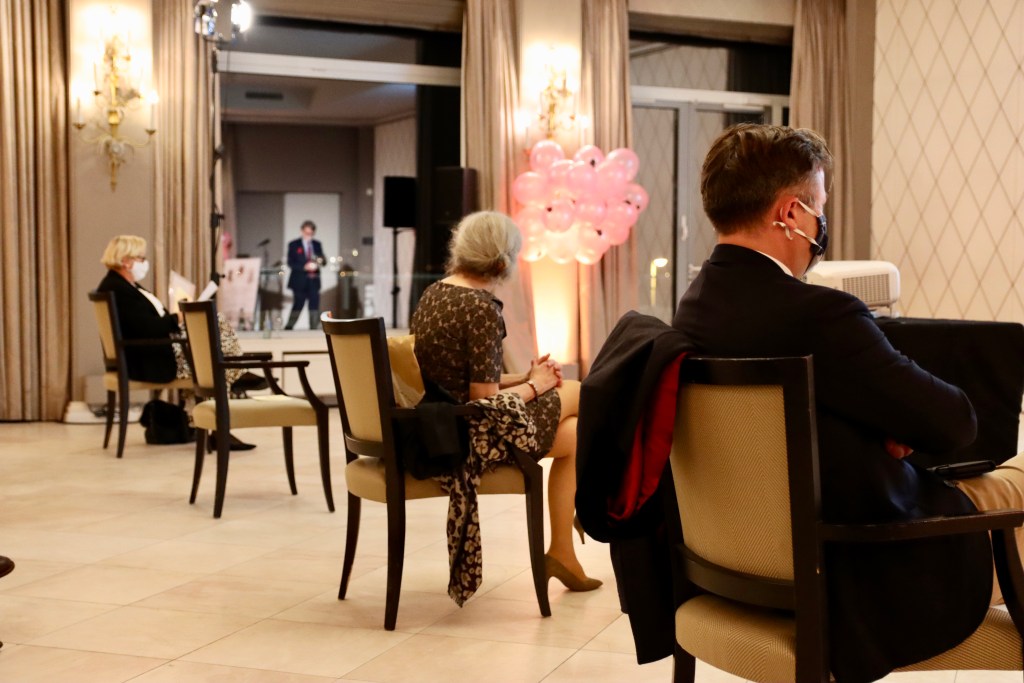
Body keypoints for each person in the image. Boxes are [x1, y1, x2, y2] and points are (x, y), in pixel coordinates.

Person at [671, 123, 1024, 681]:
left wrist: (873, 424)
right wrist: (893, 424)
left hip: (738, 563)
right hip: (858, 562)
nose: (821, 222)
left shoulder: (693, 308)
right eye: (819, 207)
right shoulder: (821, 316)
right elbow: (956, 424)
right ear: (791, 214)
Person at [410, 210, 601, 595]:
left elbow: (469, 383)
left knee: (577, 433)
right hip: (472, 438)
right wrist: (537, 386)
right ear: (502, 263)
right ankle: (596, 501)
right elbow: (485, 401)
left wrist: (527, 377)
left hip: (446, 423)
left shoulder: (435, 293)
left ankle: (563, 552)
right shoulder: (480, 307)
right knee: (581, 391)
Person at [96, 235, 255, 450]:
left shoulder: (124, 287)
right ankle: (235, 376)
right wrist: (176, 318)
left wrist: (174, 318)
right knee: (213, 361)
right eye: (141, 258)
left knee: (212, 350)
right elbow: (146, 328)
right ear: (125, 260)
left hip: (150, 352)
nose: (144, 262)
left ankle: (230, 380)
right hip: (147, 359)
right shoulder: (118, 289)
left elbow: (147, 322)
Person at [285, 220, 325, 330]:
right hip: (299, 281)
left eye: (311, 233)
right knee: (298, 305)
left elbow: (323, 261)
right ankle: (288, 328)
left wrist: (319, 262)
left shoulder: (317, 244)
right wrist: (304, 267)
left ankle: (313, 329)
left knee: (314, 306)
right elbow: (290, 263)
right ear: (302, 231)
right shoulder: (294, 244)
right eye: (307, 233)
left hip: (314, 281)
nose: (309, 235)